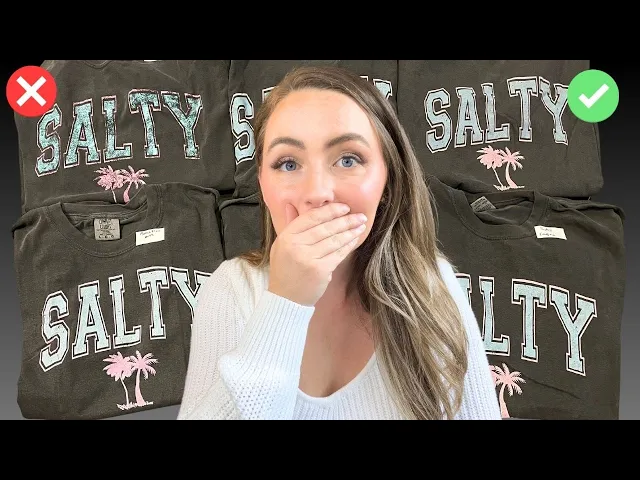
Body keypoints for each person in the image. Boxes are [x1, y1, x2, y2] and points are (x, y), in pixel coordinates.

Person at [177, 65, 501, 420]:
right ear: (264, 187)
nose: (317, 193)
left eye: (348, 159)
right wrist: (285, 303)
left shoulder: (432, 285)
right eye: (288, 164)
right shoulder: (229, 290)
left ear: (388, 180)